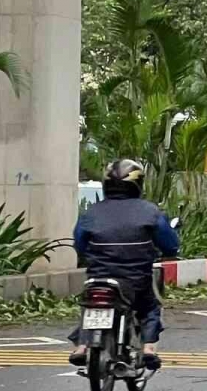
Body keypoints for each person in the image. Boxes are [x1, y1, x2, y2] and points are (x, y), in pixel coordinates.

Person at [67, 159, 181, 370]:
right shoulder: (150, 211)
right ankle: (148, 348)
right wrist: (169, 251)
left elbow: (80, 243)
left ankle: (82, 346)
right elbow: (170, 244)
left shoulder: (91, 213)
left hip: (97, 278)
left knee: (89, 306)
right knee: (150, 307)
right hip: (136, 280)